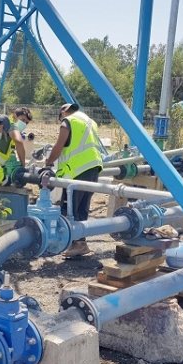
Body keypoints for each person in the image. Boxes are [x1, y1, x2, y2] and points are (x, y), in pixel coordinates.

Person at [44, 103, 103, 257]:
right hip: (93, 167)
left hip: (77, 170)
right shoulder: (90, 121)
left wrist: (48, 162)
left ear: (63, 112)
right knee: (83, 207)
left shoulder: (68, 121)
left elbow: (59, 146)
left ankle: (72, 243)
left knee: (70, 208)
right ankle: (81, 243)